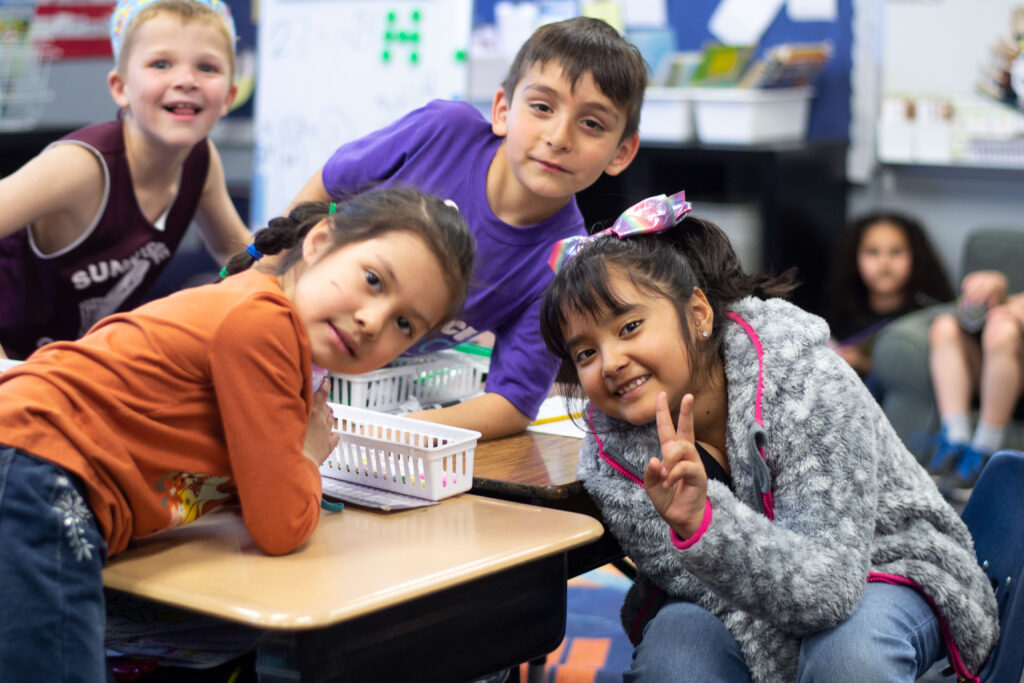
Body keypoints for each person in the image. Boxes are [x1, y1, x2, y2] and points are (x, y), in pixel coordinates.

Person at [0, 186, 475, 682]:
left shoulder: (281, 345)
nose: (373, 322)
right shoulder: (264, 325)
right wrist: (308, 456)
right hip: (36, 466)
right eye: (373, 280)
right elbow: (280, 524)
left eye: (404, 323)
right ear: (320, 242)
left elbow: (248, 492)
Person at [538, 192, 998, 682]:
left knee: (849, 656)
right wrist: (697, 530)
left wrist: (707, 525)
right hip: (737, 601)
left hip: (887, 562)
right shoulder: (613, 458)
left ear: (697, 314)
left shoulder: (802, 376)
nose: (610, 363)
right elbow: (704, 593)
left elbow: (829, 588)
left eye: (629, 326)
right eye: (585, 353)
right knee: (676, 652)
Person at [287, 16, 647, 439]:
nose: (559, 136)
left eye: (592, 124)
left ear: (621, 153)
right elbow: (325, 188)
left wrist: (388, 431)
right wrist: (265, 280)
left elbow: (512, 404)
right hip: (290, 328)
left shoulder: (565, 259)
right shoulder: (442, 131)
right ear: (502, 111)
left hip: (362, 391)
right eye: (542, 107)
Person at [0, 0, 252, 361]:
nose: (185, 80)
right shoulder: (81, 166)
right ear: (120, 87)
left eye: (207, 67)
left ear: (229, 95)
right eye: (161, 64)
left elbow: (241, 255)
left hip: (59, 371)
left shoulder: (200, 159)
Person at [825, 211, 953, 397]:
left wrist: (864, 365)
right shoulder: (840, 315)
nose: (884, 263)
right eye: (873, 252)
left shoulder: (927, 316)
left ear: (915, 257)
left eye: (896, 252)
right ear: (855, 257)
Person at [927, 268, 1024, 499]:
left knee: (1002, 330)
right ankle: (955, 441)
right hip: (995, 365)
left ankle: (985, 449)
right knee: (943, 327)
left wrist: (1010, 312)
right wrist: (993, 293)